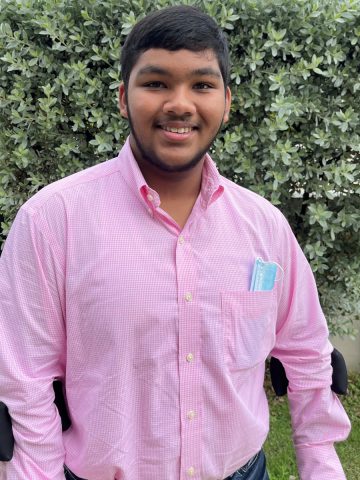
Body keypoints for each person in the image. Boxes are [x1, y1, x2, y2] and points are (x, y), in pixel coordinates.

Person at [0, 5, 351, 480]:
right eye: (156, 83)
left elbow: (308, 355)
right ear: (124, 97)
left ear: (226, 102)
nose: (180, 104)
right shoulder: (51, 222)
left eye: (202, 85)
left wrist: (322, 467)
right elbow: (25, 382)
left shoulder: (264, 227)